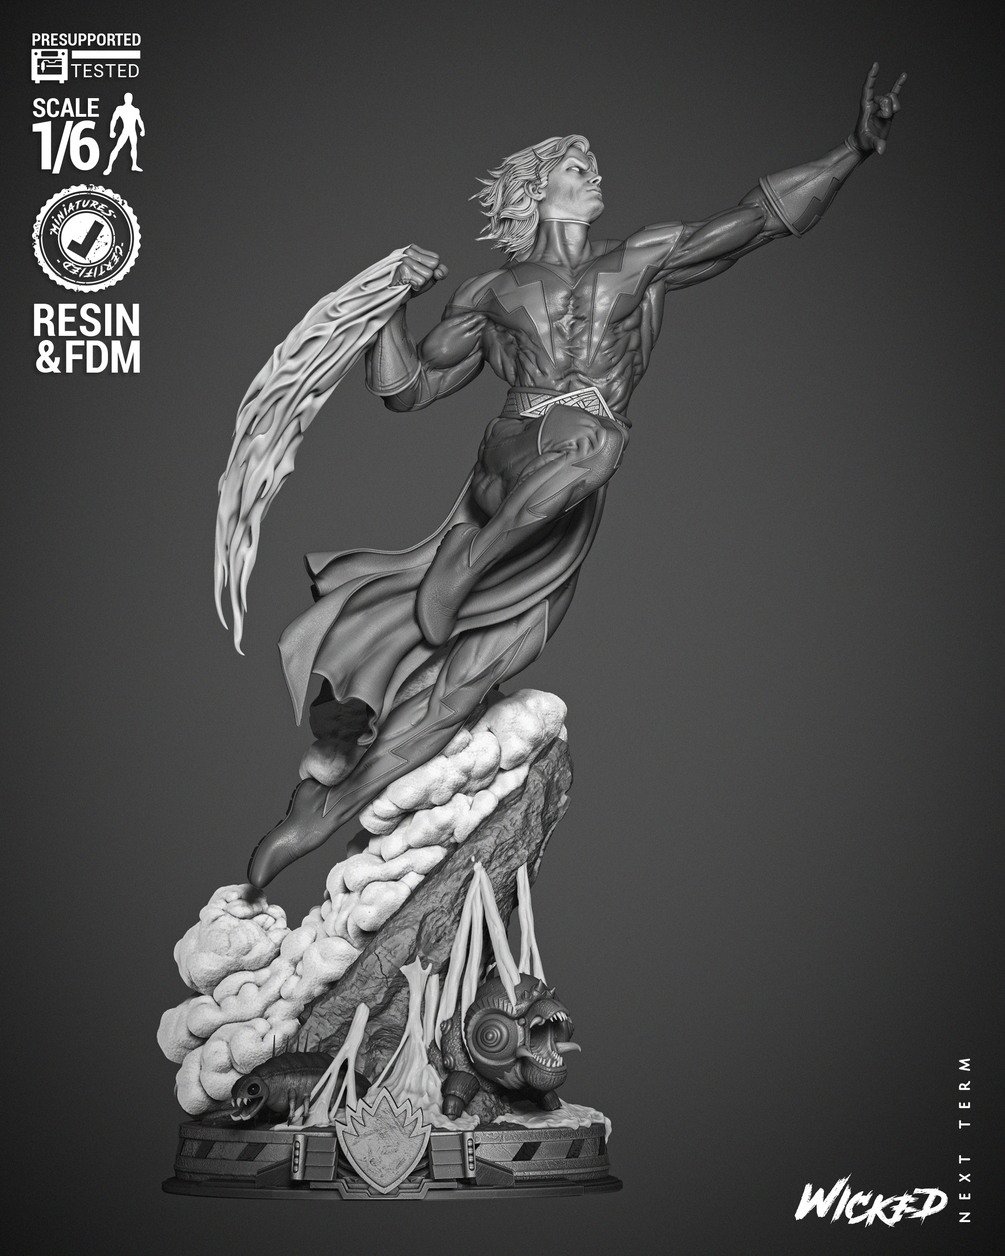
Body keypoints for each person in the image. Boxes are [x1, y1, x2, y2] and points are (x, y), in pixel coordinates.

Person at [245, 65, 904, 889]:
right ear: (534, 191)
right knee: (595, 439)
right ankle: (467, 560)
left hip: (562, 507)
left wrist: (851, 150)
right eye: (575, 165)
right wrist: (389, 306)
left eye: (593, 164)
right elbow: (408, 389)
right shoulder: (490, 293)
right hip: (517, 449)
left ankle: (318, 814)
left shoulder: (641, 259)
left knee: (466, 685)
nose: (595, 174)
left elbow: (758, 221)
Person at [103, 93, 144, 174]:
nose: (128, 99)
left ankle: (134, 165)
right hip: (125, 131)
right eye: (127, 98)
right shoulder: (120, 109)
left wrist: (142, 130)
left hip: (132, 132)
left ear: (131, 99)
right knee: (117, 147)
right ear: (125, 99)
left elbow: (140, 121)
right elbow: (114, 119)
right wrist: (111, 131)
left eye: (129, 98)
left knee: (134, 147)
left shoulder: (135, 110)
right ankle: (109, 167)